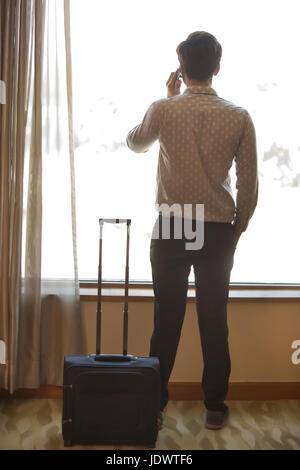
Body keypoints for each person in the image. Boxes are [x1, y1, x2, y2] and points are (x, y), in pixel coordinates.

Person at [126, 31, 258, 431]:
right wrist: (237, 229)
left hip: (171, 226)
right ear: (217, 68)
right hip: (217, 229)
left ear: (181, 70)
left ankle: (154, 406)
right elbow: (248, 185)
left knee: (166, 320)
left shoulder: (164, 109)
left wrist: (167, 100)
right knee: (213, 320)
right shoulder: (239, 116)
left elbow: (135, 143)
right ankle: (215, 406)